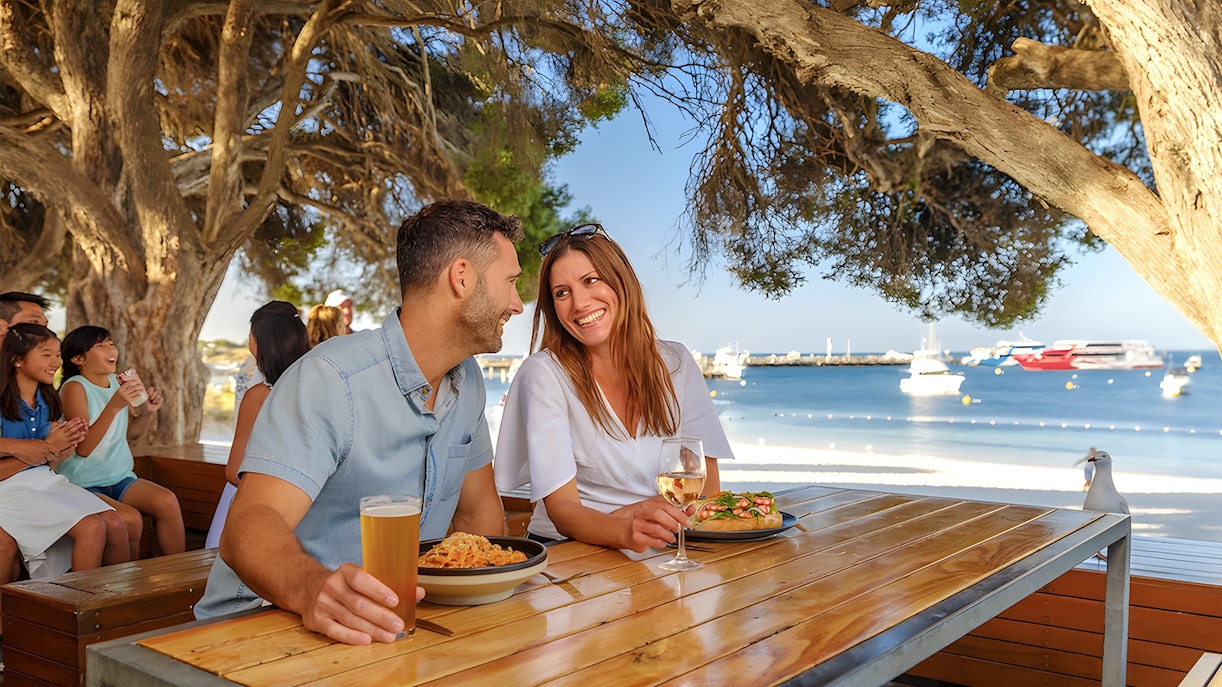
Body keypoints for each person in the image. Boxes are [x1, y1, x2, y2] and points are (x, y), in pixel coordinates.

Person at [196, 199, 524, 646]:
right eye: (511, 282)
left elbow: (476, 512)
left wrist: (488, 602)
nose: (519, 304)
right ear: (462, 277)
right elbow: (250, 522)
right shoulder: (331, 379)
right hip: (263, 622)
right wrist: (312, 588)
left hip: (389, 624)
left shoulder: (466, 379)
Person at [494, 223, 732, 552]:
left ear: (621, 281)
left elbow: (708, 488)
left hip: (661, 547)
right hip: (570, 552)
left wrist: (640, 523)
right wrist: (625, 527)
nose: (579, 303)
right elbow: (563, 512)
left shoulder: (675, 362)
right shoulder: (544, 375)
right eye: (562, 293)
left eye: (591, 281)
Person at [0, 323, 130, 576]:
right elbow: (30, 459)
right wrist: (46, 449)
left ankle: (118, 600)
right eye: (45, 354)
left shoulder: (46, 403)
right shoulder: (4, 404)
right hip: (10, 488)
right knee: (92, 526)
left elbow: (48, 463)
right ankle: (77, 607)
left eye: (57, 355)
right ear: (16, 360)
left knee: (115, 521)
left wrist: (61, 450)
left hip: (42, 481)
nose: (55, 362)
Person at [58, 326, 185, 557]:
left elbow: (132, 433)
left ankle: (181, 576)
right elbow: (84, 448)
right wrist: (115, 405)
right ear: (78, 359)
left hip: (118, 476)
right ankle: (128, 586)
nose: (111, 349)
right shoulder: (74, 387)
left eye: (111, 343)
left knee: (167, 501)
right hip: (82, 481)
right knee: (130, 519)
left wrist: (148, 411)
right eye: (100, 346)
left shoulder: (116, 384)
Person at [205, 302, 310, 548]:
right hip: (310, 502)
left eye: (250, 334)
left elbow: (233, 470)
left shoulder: (260, 396)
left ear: (260, 341)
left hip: (259, 503)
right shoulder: (317, 388)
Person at [0, 292, 55, 582]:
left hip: (26, 484)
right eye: (34, 324)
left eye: (45, 324)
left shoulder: (39, 389)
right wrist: (26, 447)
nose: (43, 331)